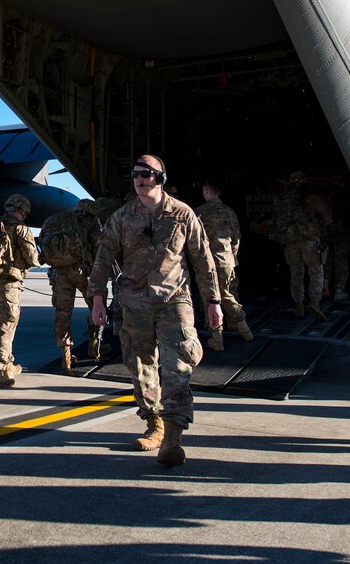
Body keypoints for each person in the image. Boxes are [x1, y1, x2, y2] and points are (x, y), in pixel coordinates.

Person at [89, 155, 222, 467]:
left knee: (177, 367)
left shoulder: (182, 214)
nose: (139, 179)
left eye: (146, 174)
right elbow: (103, 258)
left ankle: (173, 439)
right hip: (133, 304)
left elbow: (203, 260)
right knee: (140, 366)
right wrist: (97, 298)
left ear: (160, 177)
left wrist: (214, 302)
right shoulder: (121, 217)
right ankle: (155, 424)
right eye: (135, 174)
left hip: (174, 301)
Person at [0, 194, 40, 387]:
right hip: (9, 285)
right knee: (6, 328)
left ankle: (8, 364)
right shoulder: (21, 228)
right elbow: (32, 258)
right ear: (22, 211)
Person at [39, 199, 103, 372]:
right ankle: (94, 346)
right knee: (95, 307)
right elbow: (99, 251)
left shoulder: (58, 221)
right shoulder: (91, 224)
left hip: (59, 272)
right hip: (82, 271)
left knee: (63, 312)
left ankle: (65, 357)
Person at [195, 179, 254, 349]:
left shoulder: (199, 212)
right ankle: (240, 327)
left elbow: (194, 240)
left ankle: (217, 337)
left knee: (211, 298)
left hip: (207, 262)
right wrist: (232, 256)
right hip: (227, 260)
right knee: (228, 293)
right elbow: (236, 237)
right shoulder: (229, 212)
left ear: (206, 191)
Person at [271, 171, 332, 320]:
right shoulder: (311, 198)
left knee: (296, 273)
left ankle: (298, 304)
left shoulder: (282, 200)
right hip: (310, 240)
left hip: (291, 242)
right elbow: (327, 216)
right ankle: (314, 302)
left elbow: (275, 219)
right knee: (316, 272)